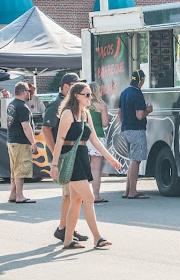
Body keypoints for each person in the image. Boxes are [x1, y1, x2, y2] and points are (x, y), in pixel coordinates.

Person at [50, 82, 122, 249]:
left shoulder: (86, 114)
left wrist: (111, 159)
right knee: (89, 198)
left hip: (82, 156)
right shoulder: (68, 113)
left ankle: (68, 240)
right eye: (87, 95)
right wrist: (54, 165)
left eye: (91, 94)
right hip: (71, 158)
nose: (91, 97)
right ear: (77, 96)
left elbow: (94, 140)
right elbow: (60, 140)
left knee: (76, 200)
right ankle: (97, 237)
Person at [43, 72, 88, 242]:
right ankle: (64, 229)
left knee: (73, 194)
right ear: (67, 87)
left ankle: (68, 227)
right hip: (64, 156)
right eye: (76, 85)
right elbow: (46, 130)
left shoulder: (72, 105)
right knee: (70, 194)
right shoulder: (57, 105)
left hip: (73, 155)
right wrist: (57, 153)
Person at [118, 69, 152, 199]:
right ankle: (133, 191)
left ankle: (127, 191)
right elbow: (139, 115)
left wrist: (124, 125)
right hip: (136, 130)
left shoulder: (124, 92)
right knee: (135, 161)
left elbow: (119, 112)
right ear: (141, 80)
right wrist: (148, 110)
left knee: (132, 160)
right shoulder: (137, 94)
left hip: (126, 129)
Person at [6, 82, 36, 204]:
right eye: (28, 91)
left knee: (15, 169)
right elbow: (26, 127)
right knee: (21, 169)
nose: (30, 93)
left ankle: (13, 194)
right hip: (21, 142)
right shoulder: (22, 107)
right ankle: (19, 196)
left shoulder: (11, 104)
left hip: (12, 140)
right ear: (24, 92)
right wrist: (33, 142)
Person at [88, 82, 109, 203]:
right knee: (95, 169)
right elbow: (105, 123)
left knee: (85, 168)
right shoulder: (101, 105)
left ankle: (83, 195)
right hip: (98, 137)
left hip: (84, 138)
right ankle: (95, 196)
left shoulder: (83, 105)